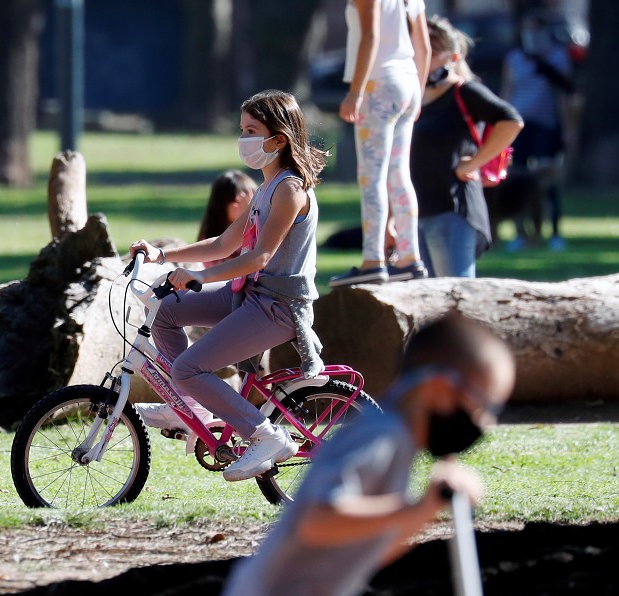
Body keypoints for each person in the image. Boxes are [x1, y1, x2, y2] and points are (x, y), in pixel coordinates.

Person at [221, 312, 515, 596]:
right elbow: (316, 521)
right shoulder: (380, 434)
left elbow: (371, 548)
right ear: (438, 389)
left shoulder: (398, 442)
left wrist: (426, 511)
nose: (485, 424)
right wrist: (419, 506)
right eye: (483, 407)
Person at [128, 89, 327, 482]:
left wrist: (200, 276)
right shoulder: (265, 189)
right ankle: (190, 407)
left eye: (252, 131)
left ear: (279, 139)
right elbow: (224, 243)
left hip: (277, 307)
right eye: (242, 130)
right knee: (167, 313)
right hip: (251, 296)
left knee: (187, 368)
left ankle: (267, 436)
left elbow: (260, 257)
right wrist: (162, 255)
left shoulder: (290, 189)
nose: (243, 140)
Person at [410, 16, 523, 278]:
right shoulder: (413, 96)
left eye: (432, 52)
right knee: (423, 303)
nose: (423, 59)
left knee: (453, 299)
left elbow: (511, 121)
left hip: (452, 209)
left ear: (451, 56)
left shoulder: (464, 91)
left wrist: (473, 163)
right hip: (416, 211)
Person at [330, 0, 431, 287]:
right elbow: (423, 46)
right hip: (408, 81)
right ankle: (409, 257)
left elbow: (370, 36)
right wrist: (418, 93)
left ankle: (373, 259)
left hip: (379, 83)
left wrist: (355, 92)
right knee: (399, 175)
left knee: (371, 177)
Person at [501, 11, 575, 252]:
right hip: (520, 125)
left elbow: (564, 96)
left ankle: (554, 232)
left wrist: (567, 129)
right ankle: (522, 234)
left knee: (547, 180)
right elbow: (507, 92)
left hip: (546, 125)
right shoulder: (514, 59)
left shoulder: (556, 58)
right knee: (517, 179)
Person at [197, 170, 258, 267]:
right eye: (238, 201)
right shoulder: (209, 241)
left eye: (253, 199)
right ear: (221, 205)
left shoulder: (259, 233)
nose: (245, 205)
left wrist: (251, 214)